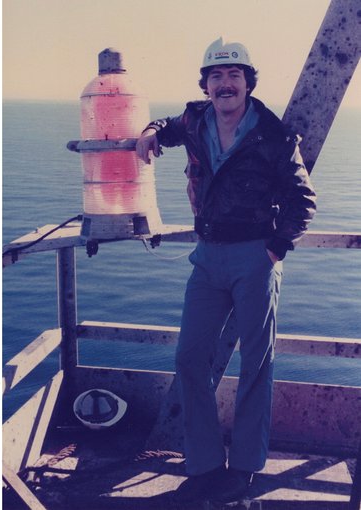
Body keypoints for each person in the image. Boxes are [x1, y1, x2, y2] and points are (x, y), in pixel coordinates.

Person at [136, 38, 316, 504]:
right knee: (190, 358)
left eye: (234, 75)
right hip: (207, 257)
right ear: (206, 84)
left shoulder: (273, 135)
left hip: (255, 255)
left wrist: (274, 250)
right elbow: (168, 128)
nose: (224, 83)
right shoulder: (195, 120)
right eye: (216, 76)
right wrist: (149, 132)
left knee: (256, 363)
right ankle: (204, 464)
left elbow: (303, 201)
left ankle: (245, 467)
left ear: (248, 82)